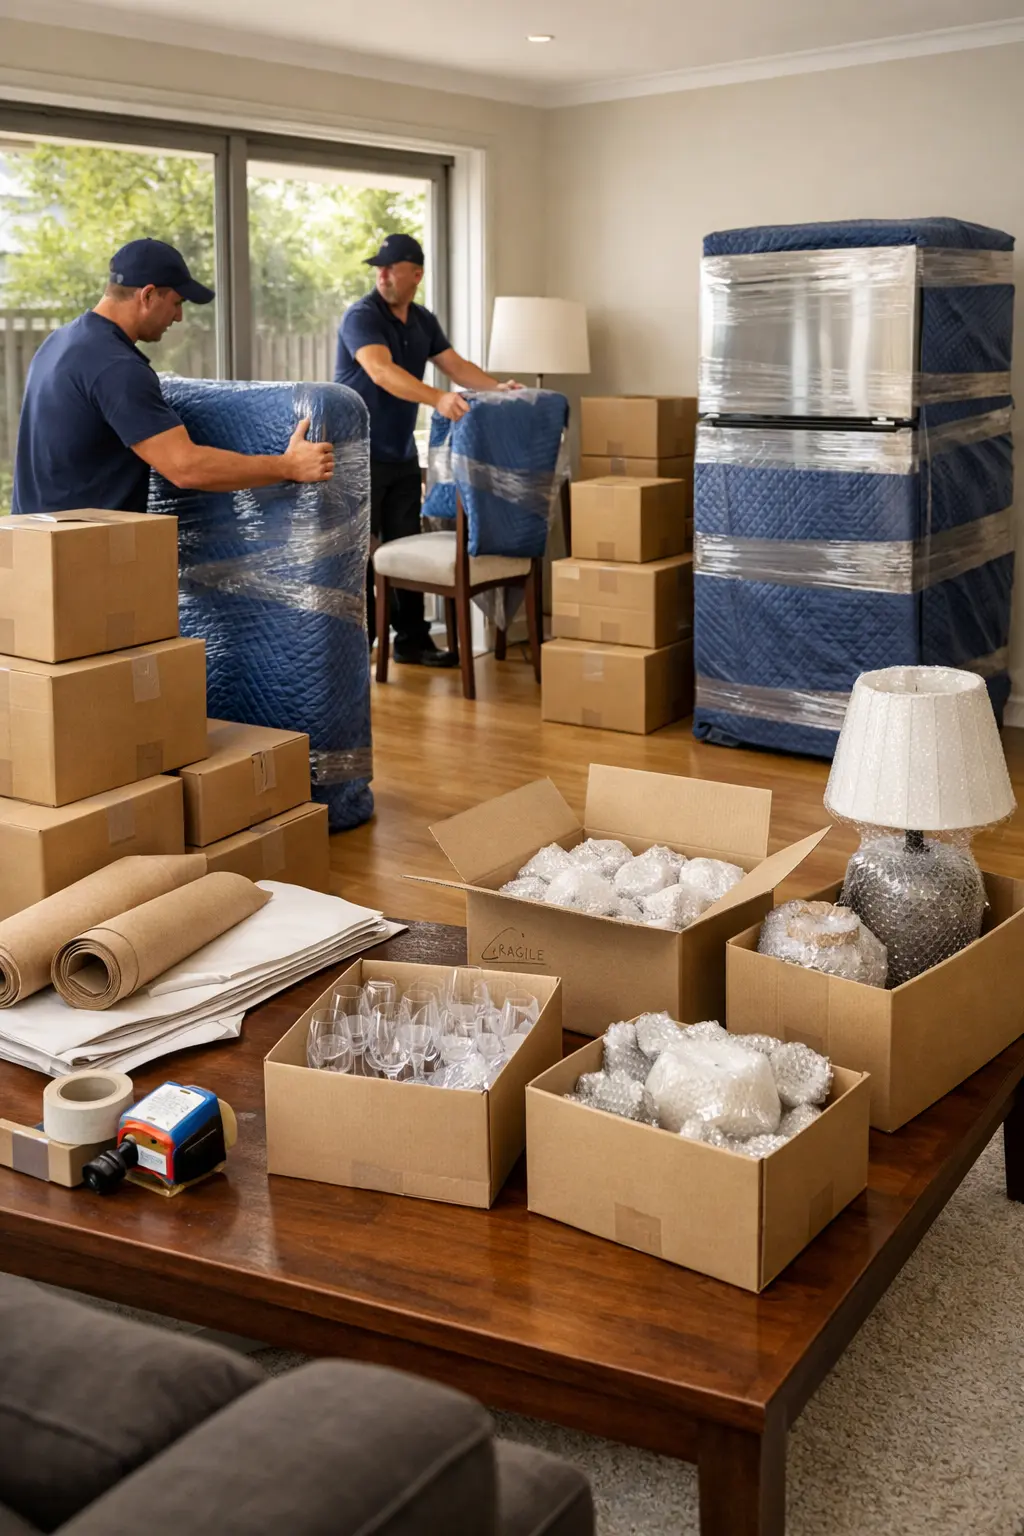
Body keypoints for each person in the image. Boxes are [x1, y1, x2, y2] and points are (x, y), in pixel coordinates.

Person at [12, 238, 333, 518]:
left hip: (32, 543)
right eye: (176, 303)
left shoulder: (60, 342)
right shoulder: (116, 367)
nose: (179, 316)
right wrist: (289, 466)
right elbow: (185, 467)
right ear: (148, 295)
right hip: (80, 552)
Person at [336, 232, 515, 668]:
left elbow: (455, 365)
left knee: (404, 544)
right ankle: (359, 645)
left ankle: (412, 641)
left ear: (415, 274)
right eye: (378, 268)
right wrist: (437, 399)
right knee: (359, 551)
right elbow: (380, 371)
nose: (381, 275)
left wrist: (498, 389)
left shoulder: (421, 320)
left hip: (399, 454)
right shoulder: (362, 316)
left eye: (390, 268)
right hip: (356, 453)